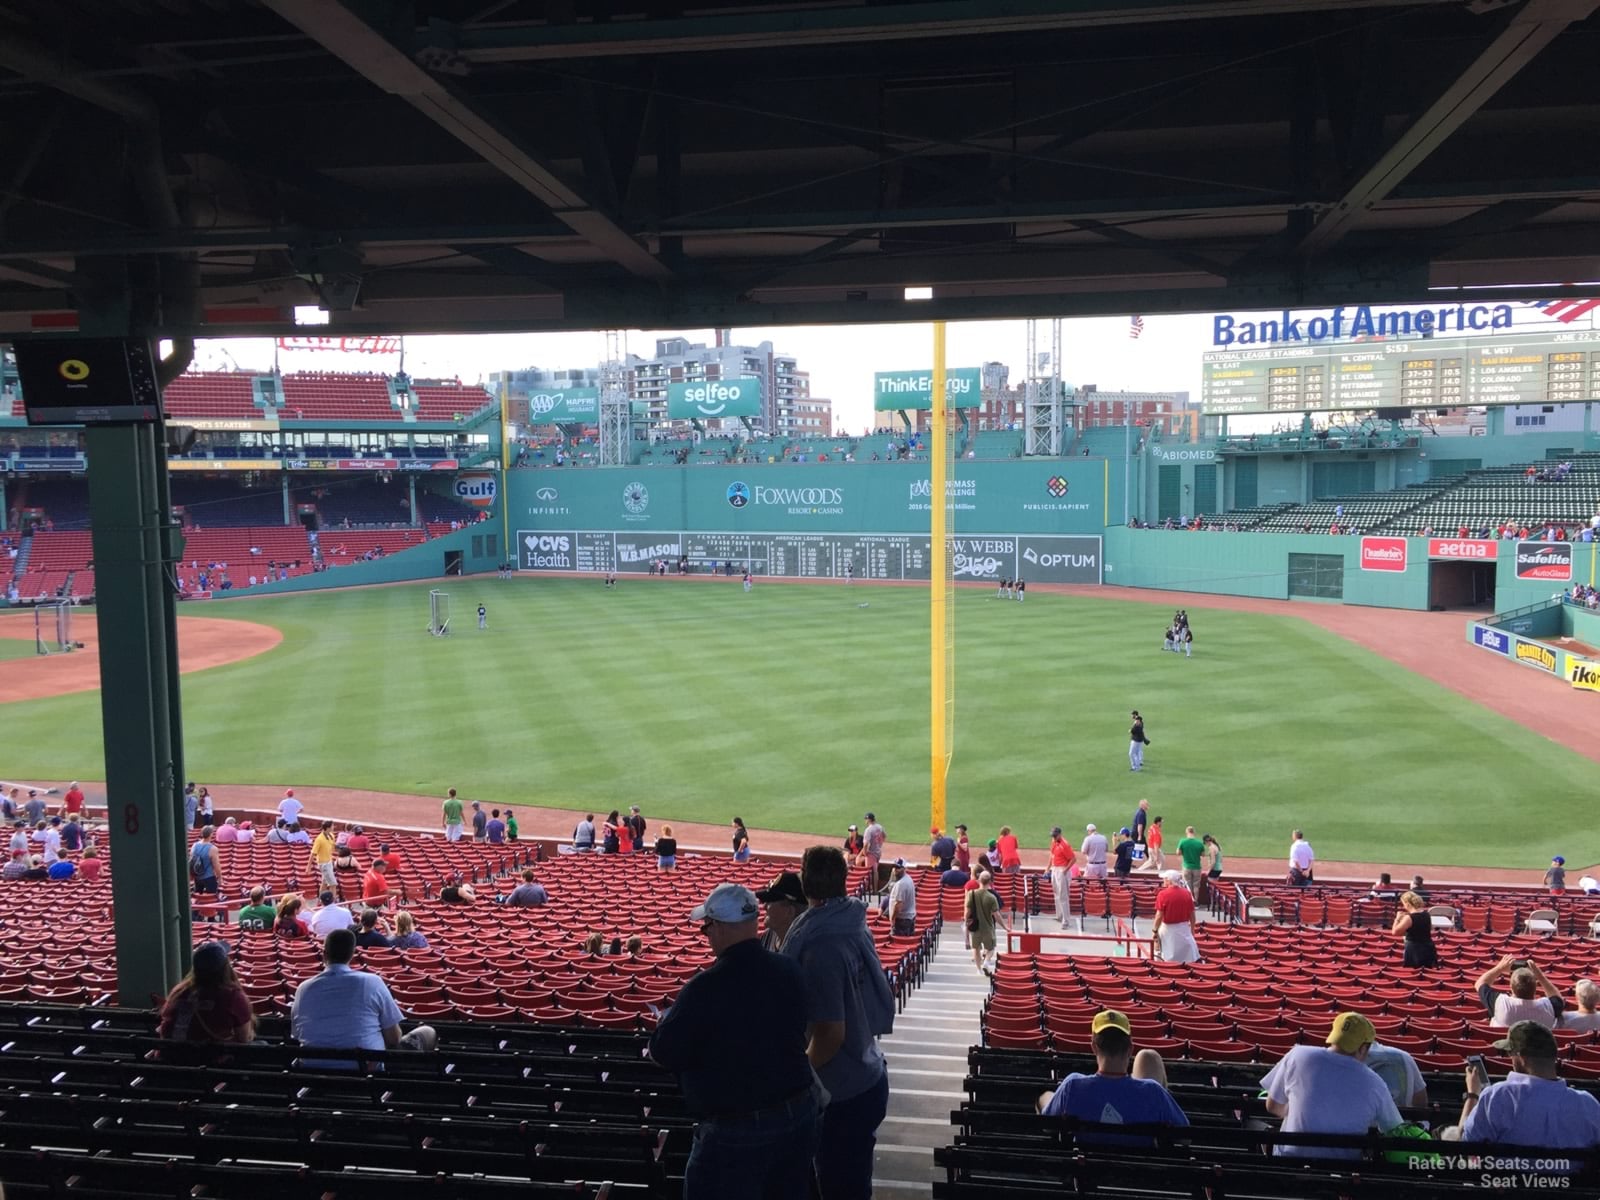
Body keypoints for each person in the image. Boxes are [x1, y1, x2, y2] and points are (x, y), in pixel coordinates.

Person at [649, 883, 820, 1200]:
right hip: (797, 1117)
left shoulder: (704, 988)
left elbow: (663, 1052)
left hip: (734, 1132)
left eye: (707, 926)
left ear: (720, 927)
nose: (706, 933)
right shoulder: (790, 970)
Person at [782, 845, 895, 1200]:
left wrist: (795, 1075)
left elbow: (831, 1034)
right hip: (863, 1077)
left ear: (804, 882)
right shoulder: (850, 923)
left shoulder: (822, 945)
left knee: (840, 1187)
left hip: (842, 1092)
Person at [1260, 1013, 1403, 1159]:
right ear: (1364, 1048)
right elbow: (1393, 1128)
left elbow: (1272, 1105)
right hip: (1343, 1170)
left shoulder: (1298, 1055)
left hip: (1290, 1160)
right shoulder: (1375, 1083)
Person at [291, 929, 437, 1069]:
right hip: (365, 1071)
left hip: (313, 1069)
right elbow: (394, 1038)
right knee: (428, 1032)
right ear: (352, 954)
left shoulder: (303, 989)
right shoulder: (371, 982)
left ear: (324, 954)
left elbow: (297, 1034)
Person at [1035, 1011, 1187, 1145]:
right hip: (1139, 1174)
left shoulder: (1072, 1086)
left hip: (1089, 1172)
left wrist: (1044, 1097)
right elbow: (1185, 1137)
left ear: (1094, 1047)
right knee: (1148, 1057)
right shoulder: (1153, 1091)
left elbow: (1047, 1126)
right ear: (1130, 1049)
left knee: (1046, 1096)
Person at [1460, 1021, 1600, 1165]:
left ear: (1521, 1058)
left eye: (1510, 1052)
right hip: (1570, 1186)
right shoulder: (1588, 1104)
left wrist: (1472, 1095)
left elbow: (1466, 1150)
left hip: (1506, 1184)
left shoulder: (1497, 1096)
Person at [157, 941, 255, 1045]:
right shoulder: (233, 997)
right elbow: (243, 1039)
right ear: (225, 967)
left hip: (171, 1055)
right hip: (209, 1058)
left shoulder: (179, 991)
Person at [1477, 954, 1564, 1028]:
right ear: (1535, 988)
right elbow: (1558, 999)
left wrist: (1499, 968)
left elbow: (1480, 983)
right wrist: (1540, 976)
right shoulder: (1548, 1007)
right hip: (1539, 1048)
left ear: (1511, 987)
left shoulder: (1501, 1003)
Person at [1150, 871, 1200, 963]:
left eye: (1165, 879)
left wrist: (1154, 930)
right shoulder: (1187, 894)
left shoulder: (1163, 894)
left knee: (1164, 957)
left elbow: (1159, 915)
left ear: (1169, 881)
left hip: (1168, 930)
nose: (1163, 880)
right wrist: (1192, 929)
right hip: (1184, 929)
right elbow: (1192, 915)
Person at [757, 870, 809, 953]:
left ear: (789, 912)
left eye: (770, 901)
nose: (764, 906)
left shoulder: (806, 949)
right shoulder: (767, 936)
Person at [965, 870, 1003, 975]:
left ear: (979, 881)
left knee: (976, 949)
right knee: (991, 948)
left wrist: (966, 923)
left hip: (975, 926)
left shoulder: (971, 894)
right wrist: (1005, 927)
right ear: (990, 881)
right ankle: (986, 961)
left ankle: (979, 970)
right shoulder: (992, 897)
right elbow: (997, 915)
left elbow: (967, 912)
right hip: (988, 926)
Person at [1391, 891, 1438, 968]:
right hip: (1427, 947)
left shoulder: (1409, 918)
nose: (1404, 907)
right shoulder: (1426, 914)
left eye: (1404, 904)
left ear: (1408, 904)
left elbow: (1395, 932)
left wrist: (1397, 919)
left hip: (1414, 950)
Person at [189, 825, 220, 917]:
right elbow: (216, 865)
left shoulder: (194, 846)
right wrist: (220, 877)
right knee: (211, 899)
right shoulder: (213, 848)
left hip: (197, 877)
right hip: (209, 877)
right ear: (211, 834)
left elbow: (192, 861)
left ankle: (197, 917)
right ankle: (211, 918)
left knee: (198, 897)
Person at [1047, 826, 1075, 925]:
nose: (1053, 837)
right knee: (1056, 894)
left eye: (1055, 836)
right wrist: (1047, 868)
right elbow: (1052, 855)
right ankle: (1059, 916)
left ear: (1059, 835)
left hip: (1062, 870)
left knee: (1063, 896)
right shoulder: (1054, 842)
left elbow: (1073, 859)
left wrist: (1065, 870)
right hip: (1054, 869)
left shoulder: (1065, 845)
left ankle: (1066, 920)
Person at [885, 859, 917, 937]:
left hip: (902, 921)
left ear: (904, 868)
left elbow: (899, 905)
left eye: (898, 868)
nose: (895, 870)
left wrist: (893, 919)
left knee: (899, 943)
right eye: (894, 867)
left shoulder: (901, 884)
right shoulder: (908, 879)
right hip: (908, 918)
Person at [1177, 826, 1206, 901]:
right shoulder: (1199, 843)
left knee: (1187, 885)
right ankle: (1195, 901)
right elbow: (1203, 854)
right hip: (1197, 867)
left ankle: (1188, 901)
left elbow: (1178, 853)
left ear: (1187, 832)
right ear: (1194, 832)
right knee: (1196, 885)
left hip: (1186, 866)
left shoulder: (1183, 841)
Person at [862, 812, 886, 879]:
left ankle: (872, 888)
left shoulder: (868, 830)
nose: (865, 821)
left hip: (871, 853)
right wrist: (879, 845)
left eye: (866, 819)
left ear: (869, 820)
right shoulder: (879, 827)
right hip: (878, 852)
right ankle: (875, 888)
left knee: (869, 872)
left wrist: (864, 852)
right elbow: (884, 836)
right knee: (875, 871)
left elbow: (866, 843)